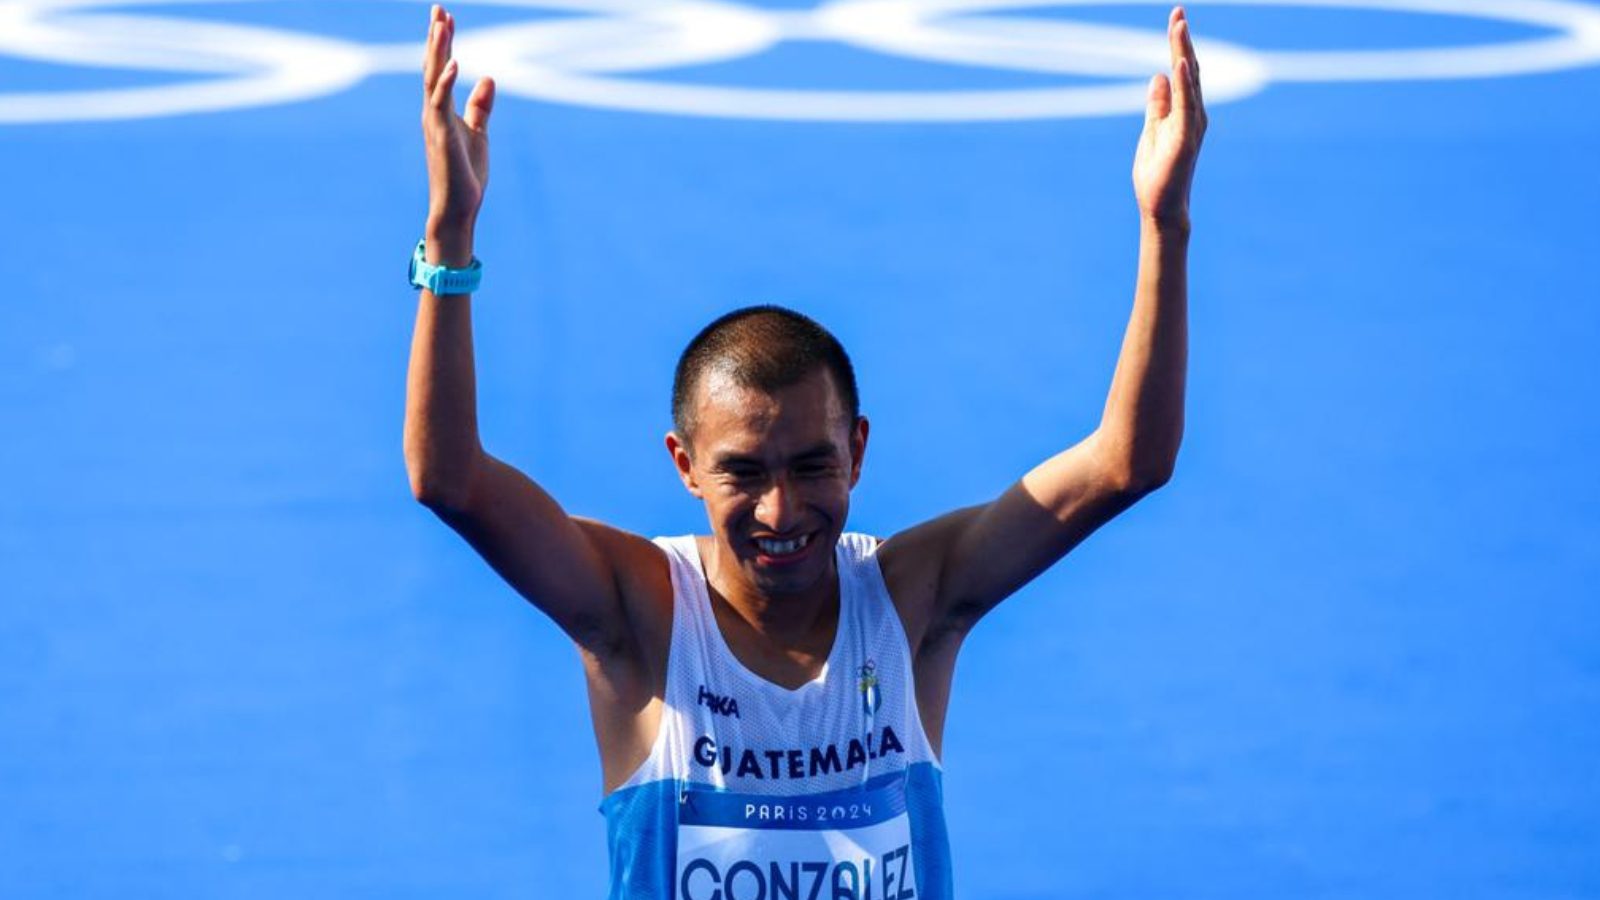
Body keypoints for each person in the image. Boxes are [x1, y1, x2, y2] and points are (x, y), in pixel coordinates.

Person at [404, 3, 1205, 896]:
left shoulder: (912, 600)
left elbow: (1130, 461)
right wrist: (450, 239)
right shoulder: (639, 614)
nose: (781, 512)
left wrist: (1163, 224)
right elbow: (449, 481)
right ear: (683, 464)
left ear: (857, 451)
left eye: (812, 466)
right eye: (743, 473)